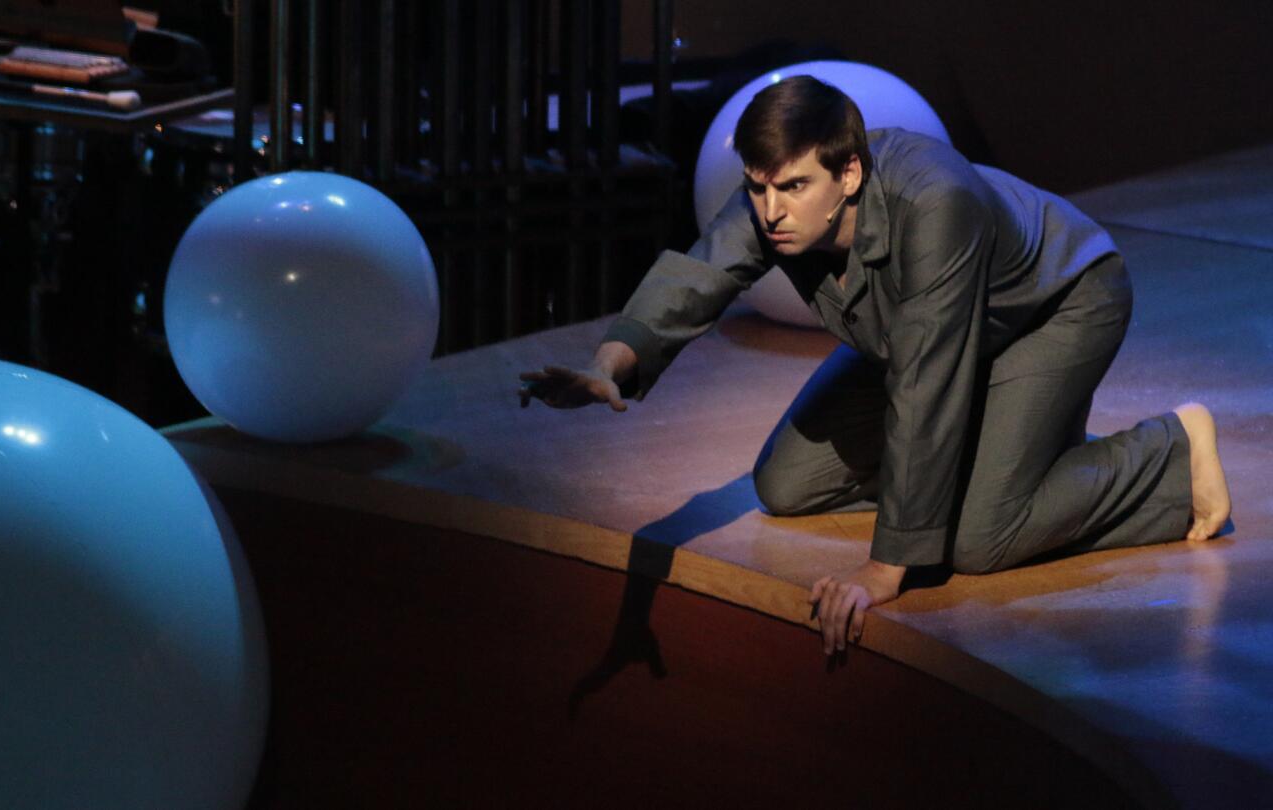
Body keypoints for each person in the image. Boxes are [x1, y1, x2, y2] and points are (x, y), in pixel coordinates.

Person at [517, 76, 1232, 657]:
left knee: (982, 539)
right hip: (933, 332)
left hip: (1058, 304)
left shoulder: (936, 203)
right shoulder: (776, 201)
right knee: (785, 484)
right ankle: (992, 464)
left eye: (792, 187)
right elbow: (698, 277)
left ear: (849, 172)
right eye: (758, 189)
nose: (769, 210)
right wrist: (609, 366)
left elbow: (926, 384)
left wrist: (885, 566)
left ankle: (1171, 453)